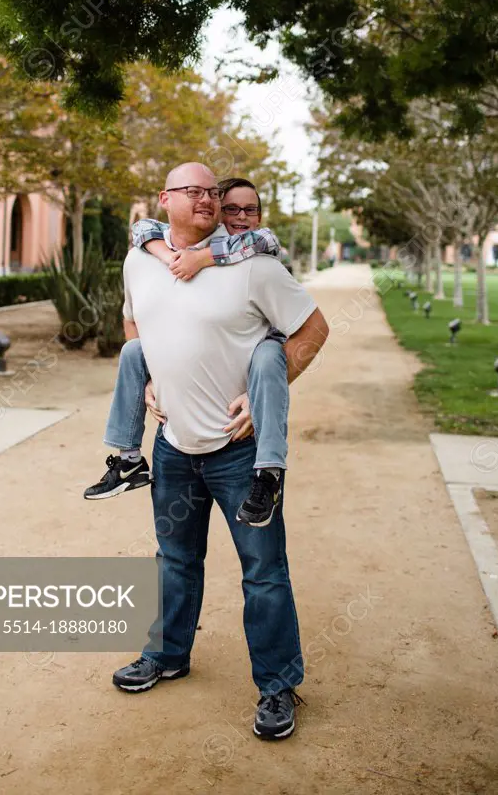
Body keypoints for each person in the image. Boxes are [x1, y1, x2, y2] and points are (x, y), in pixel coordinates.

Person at [105, 162, 329, 741]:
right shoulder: (139, 259)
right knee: (174, 560)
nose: (206, 200)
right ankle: (167, 654)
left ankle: (278, 686)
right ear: (166, 199)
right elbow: (133, 321)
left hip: (240, 455)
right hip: (174, 448)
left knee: (264, 572)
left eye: (212, 192)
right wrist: (147, 374)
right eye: (193, 191)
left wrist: (265, 398)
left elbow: (313, 328)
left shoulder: (254, 266)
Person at [84, 177, 291, 527]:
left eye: (250, 209)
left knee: (269, 358)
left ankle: (269, 473)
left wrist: (201, 258)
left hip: (266, 348)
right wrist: (168, 256)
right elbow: (142, 228)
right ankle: (129, 458)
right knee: (134, 350)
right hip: (176, 441)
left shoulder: (258, 250)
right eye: (231, 209)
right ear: (218, 215)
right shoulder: (152, 252)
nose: (241, 216)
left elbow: (261, 239)